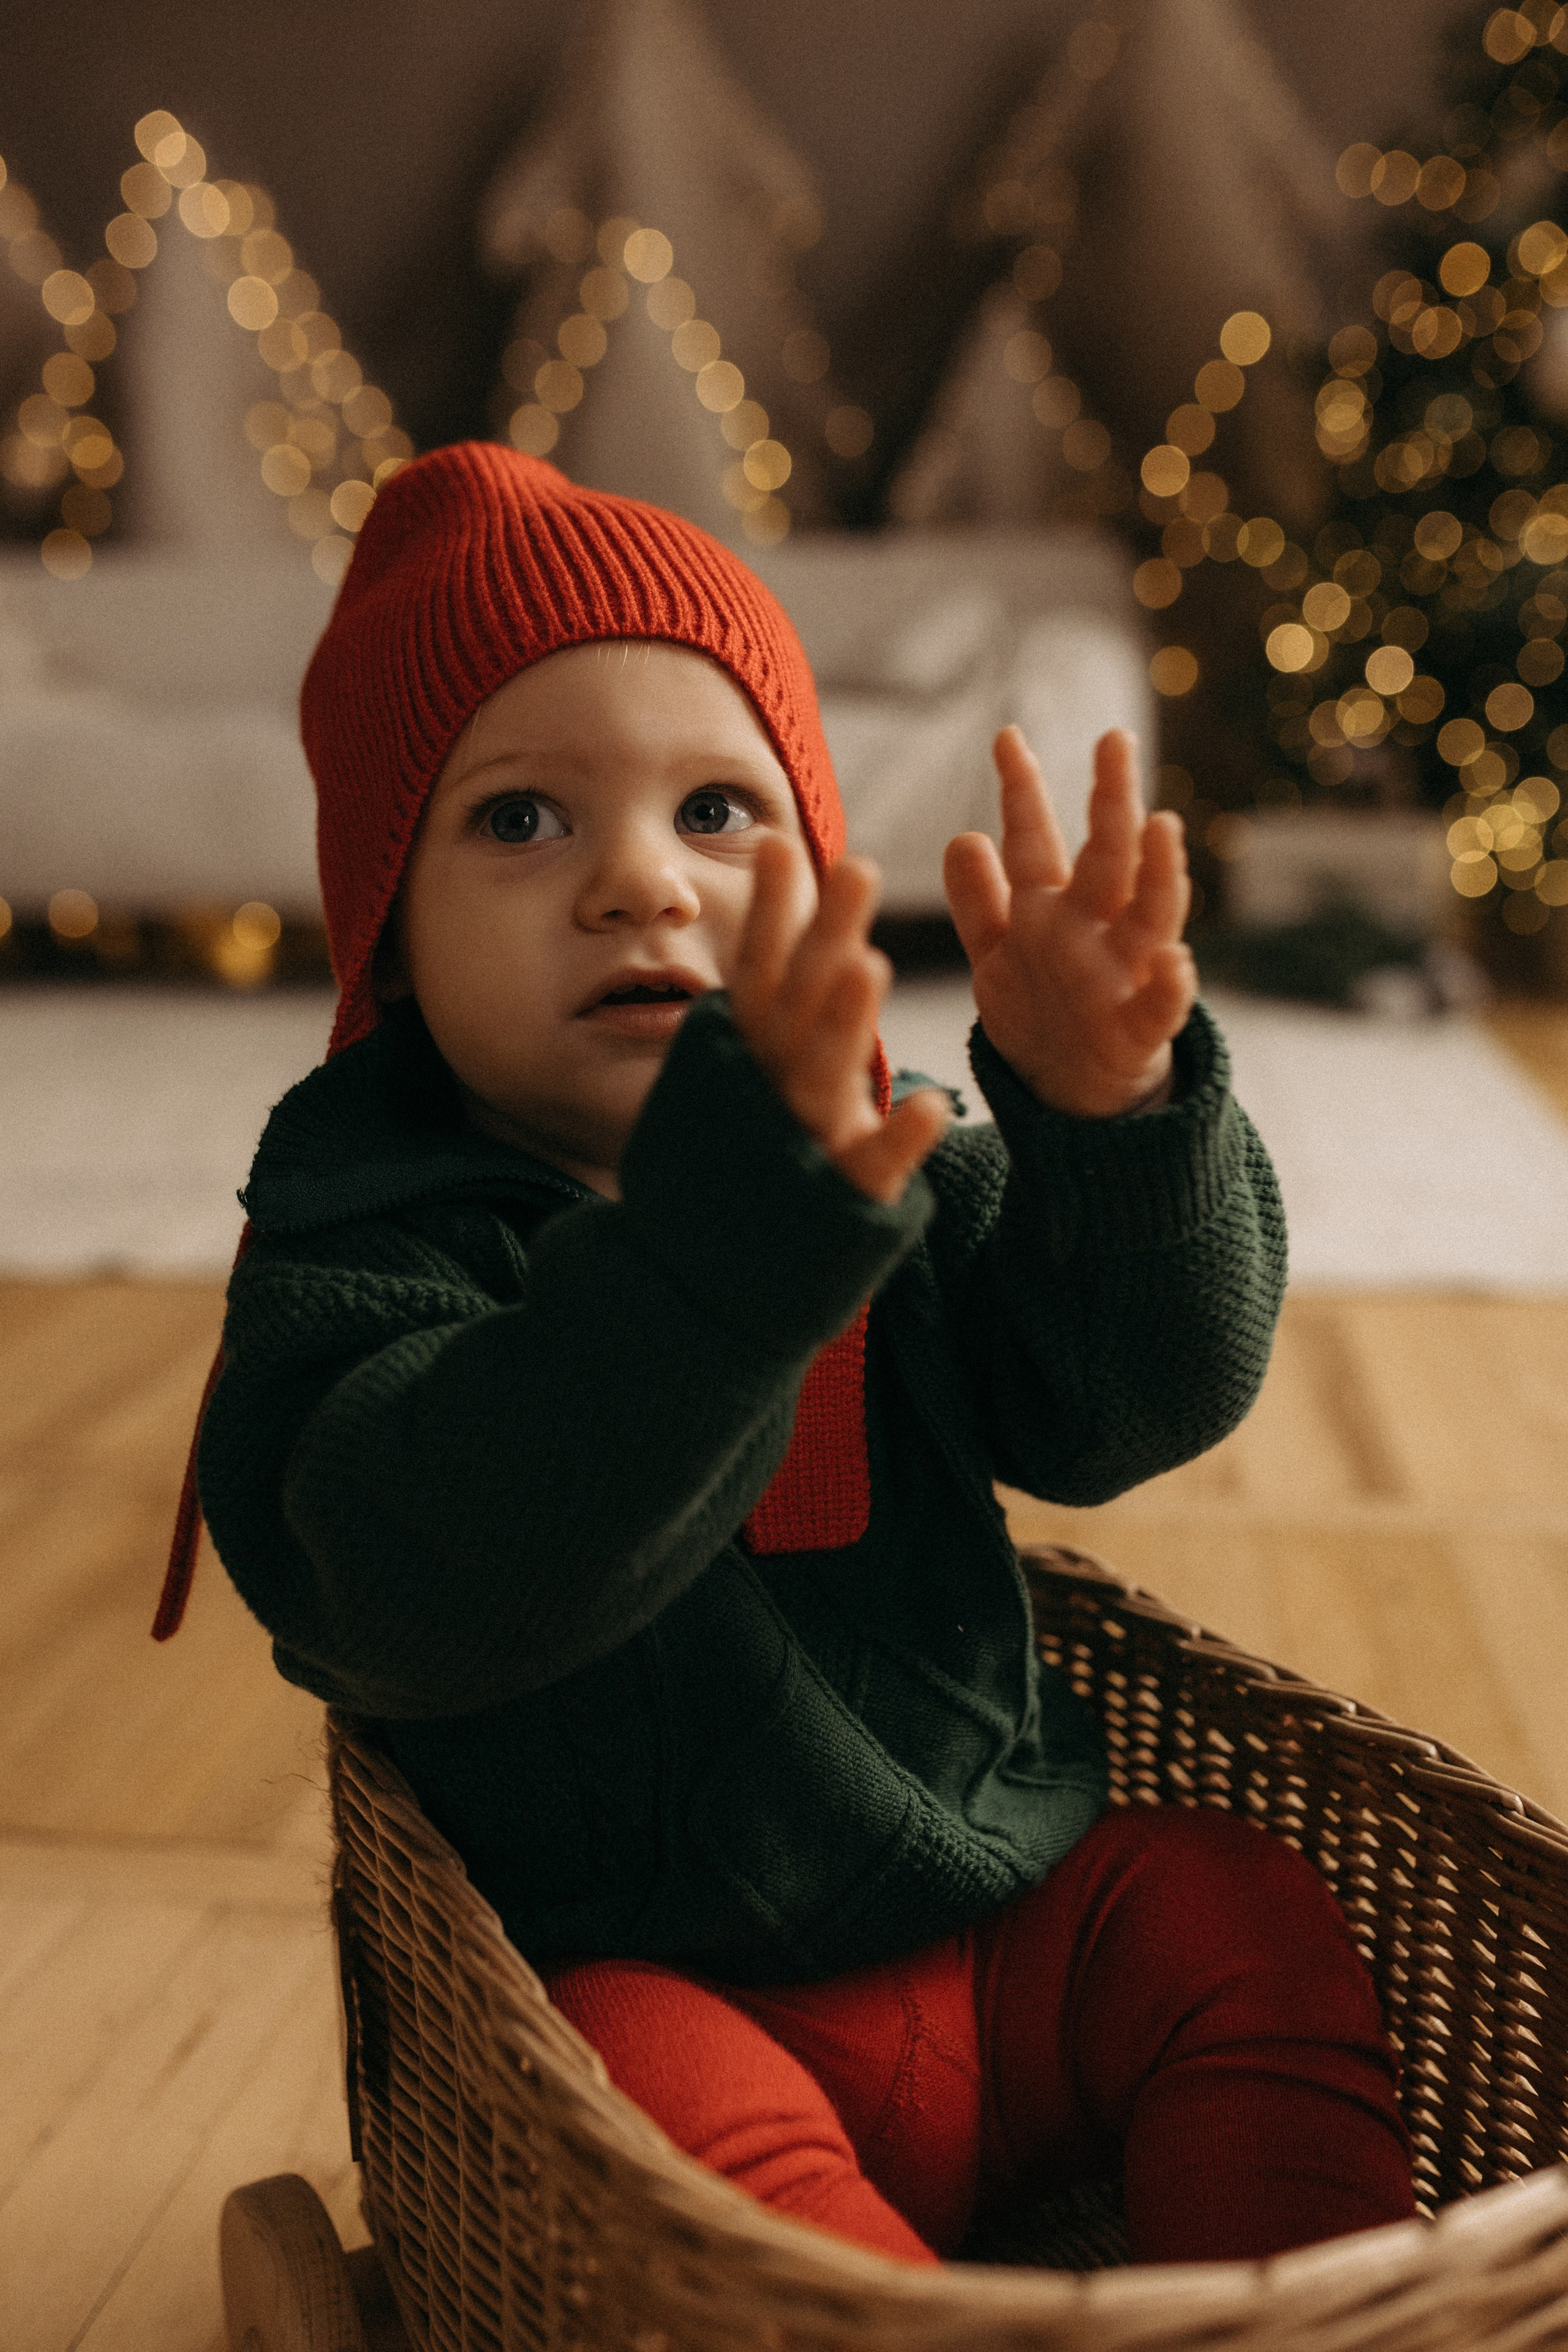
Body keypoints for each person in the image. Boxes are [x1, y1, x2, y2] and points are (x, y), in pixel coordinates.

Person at [172, 441, 1414, 2267]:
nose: (636, 887)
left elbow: (1131, 1394)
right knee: (631, 2113)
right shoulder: (367, 1257)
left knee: (1233, 1910)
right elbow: (422, 1564)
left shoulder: (893, 1159)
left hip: (999, 1935)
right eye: (521, 820)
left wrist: (1113, 1118)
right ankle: (868, 2310)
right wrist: (722, 1258)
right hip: (653, 1983)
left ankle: (1299, 2316)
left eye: (717, 815)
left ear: (824, 879)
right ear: (393, 946)